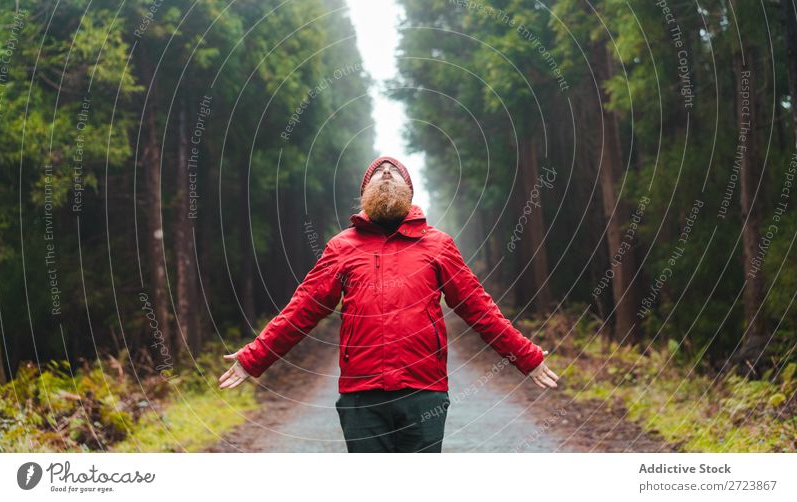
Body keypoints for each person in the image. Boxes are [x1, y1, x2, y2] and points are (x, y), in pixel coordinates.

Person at [218, 155, 559, 452]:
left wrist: (526, 356)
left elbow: (478, 308)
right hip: (361, 396)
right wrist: (254, 357)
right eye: (378, 171)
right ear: (363, 194)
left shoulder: (438, 245)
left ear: (409, 191)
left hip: (424, 392)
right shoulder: (342, 247)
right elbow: (303, 309)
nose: (385, 173)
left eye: (393, 171)